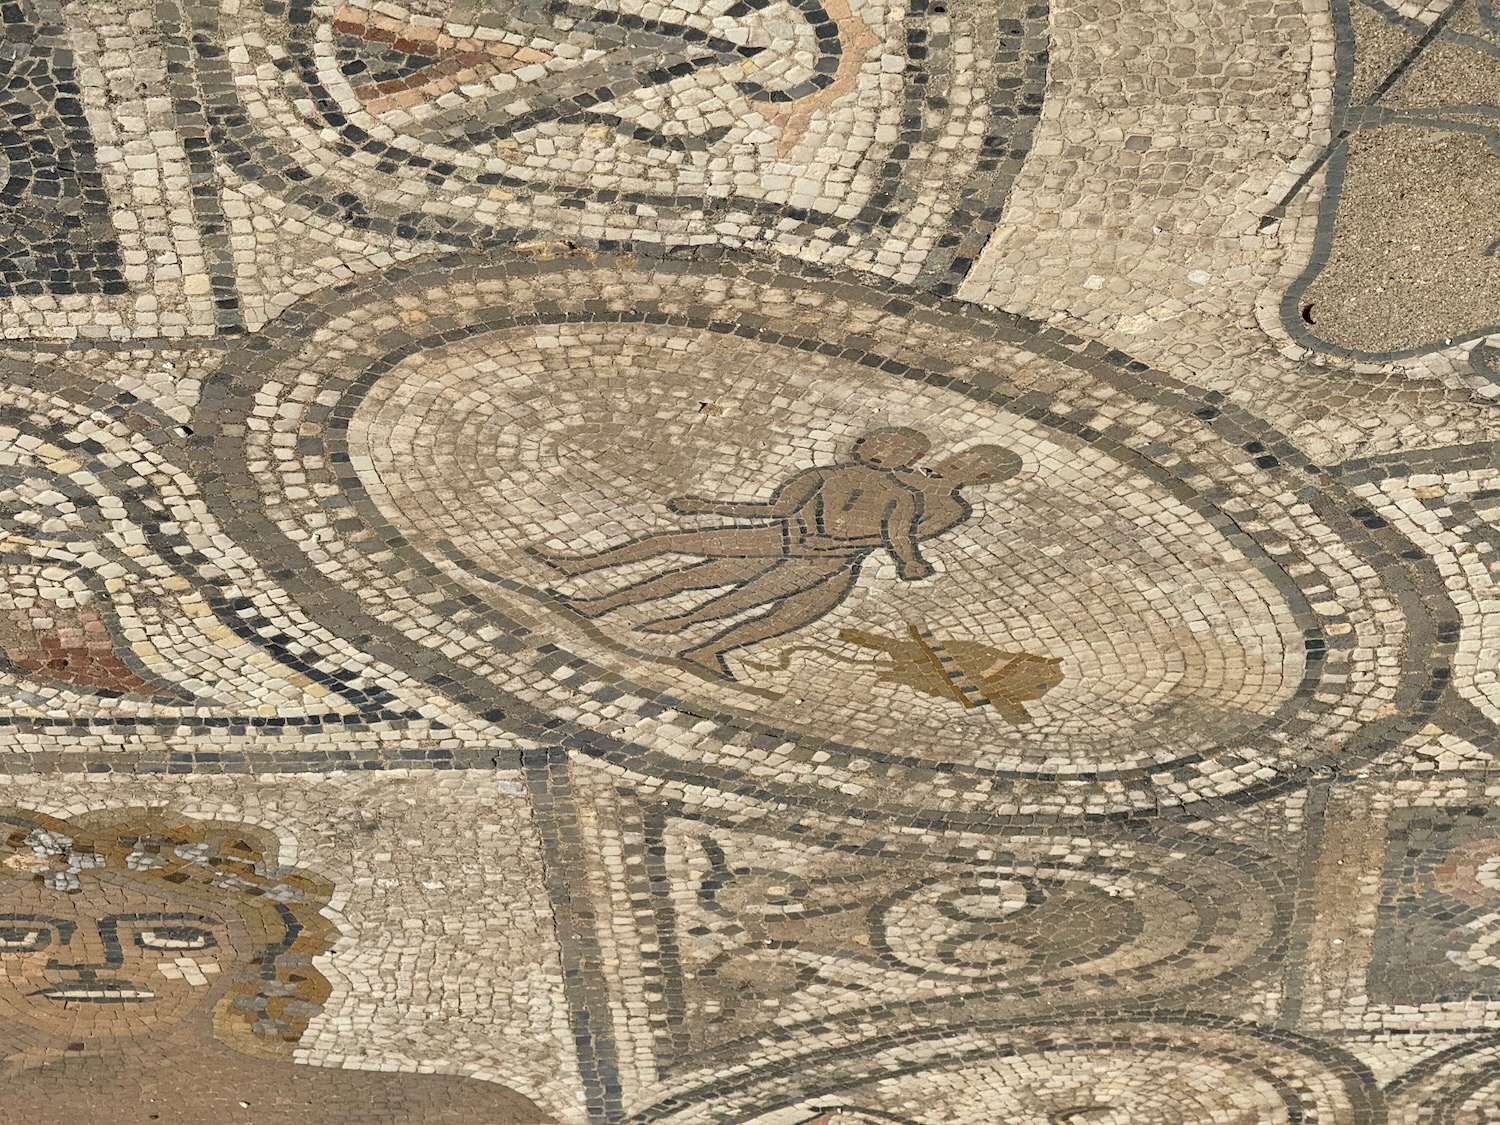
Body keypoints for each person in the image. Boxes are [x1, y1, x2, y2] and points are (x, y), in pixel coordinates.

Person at [0, 809, 548, 1124]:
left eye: (170, 936)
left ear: (255, 953)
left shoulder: (445, 1111)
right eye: (18, 935)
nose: (90, 961)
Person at [535, 435, 1022, 678]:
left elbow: (892, 535)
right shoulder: (899, 482)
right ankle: (597, 593)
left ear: (981, 479)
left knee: (788, 614)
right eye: (962, 454)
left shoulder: (948, 508)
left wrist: (898, 556)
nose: (956, 462)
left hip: (833, 561)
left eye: (970, 465)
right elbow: (869, 522)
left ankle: (703, 647)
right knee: (709, 571)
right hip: (796, 541)